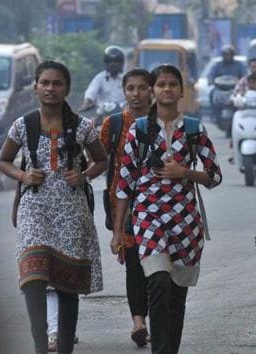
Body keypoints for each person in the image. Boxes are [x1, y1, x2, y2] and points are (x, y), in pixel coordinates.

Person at [0, 60, 107, 354]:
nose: (50, 88)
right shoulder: (23, 125)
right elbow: (3, 161)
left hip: (71, 212)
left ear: (67, 89)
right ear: (35, 87)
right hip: (34, 209)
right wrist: (23, 175)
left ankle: (64, 348)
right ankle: (40, 346)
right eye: (44, 83)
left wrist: (83, 175)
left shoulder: (83, 127)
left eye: (57, 83)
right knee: (33, 278)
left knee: (66, 283)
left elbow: (102, 160)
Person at [113, 64, 222, 354]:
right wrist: (117, 229)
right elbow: (124, 183)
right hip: (147, 217)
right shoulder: (139, 130)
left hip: (185, 222)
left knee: (176, 295)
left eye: (172, 84)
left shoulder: (194, 129)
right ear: (153, 90)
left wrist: (185, 172)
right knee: (158, 282)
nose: (167, 89)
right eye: (161, 84)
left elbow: (215, 176)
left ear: (181, 91)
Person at [100, 68, 153, 347]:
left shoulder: (164, 122)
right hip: (125, 205)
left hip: (160, 205)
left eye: (142, 88)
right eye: (130, 88)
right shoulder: (114, 124)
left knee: (157, 268)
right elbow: (97, 157)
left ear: (152, 91)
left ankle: (157, 320)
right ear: (124, 92)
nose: (136, 94)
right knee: (134, 264)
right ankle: (138, 322)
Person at [79, 45, 127, 113]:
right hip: (102, 113)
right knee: (90, 123)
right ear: (105, 63)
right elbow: (91, 93)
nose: (112, 64)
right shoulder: (100, 78)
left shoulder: (127, 78)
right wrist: (86, 103)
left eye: (116, 62)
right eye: (109, 62)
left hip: (122, 113)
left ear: (121, 63)